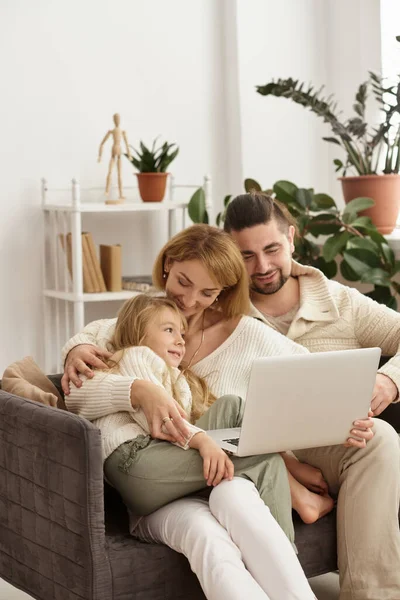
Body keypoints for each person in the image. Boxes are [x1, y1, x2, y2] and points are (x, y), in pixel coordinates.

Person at [61, 224, 379, 600]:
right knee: (215, 520)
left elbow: (311, 380)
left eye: (207, 292)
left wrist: (345, 420)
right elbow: (82, 374)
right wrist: (132, 386)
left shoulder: (244, 333)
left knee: (233, 430)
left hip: (197, 469)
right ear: (166, 266)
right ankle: (298, 505)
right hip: (157, 469)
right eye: (182, 281)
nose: (189, 300)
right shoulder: (129, 328)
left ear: (222, 293)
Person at [222, 192, 400, 600]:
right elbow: (133, 320)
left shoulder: (340, 302)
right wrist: (78, 348)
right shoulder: (218, 307)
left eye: (271, 249)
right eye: (246, 256)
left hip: (331, 445)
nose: (263, 267)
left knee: (382, 440)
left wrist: (390, 381)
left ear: (292, 238)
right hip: (253, 448)